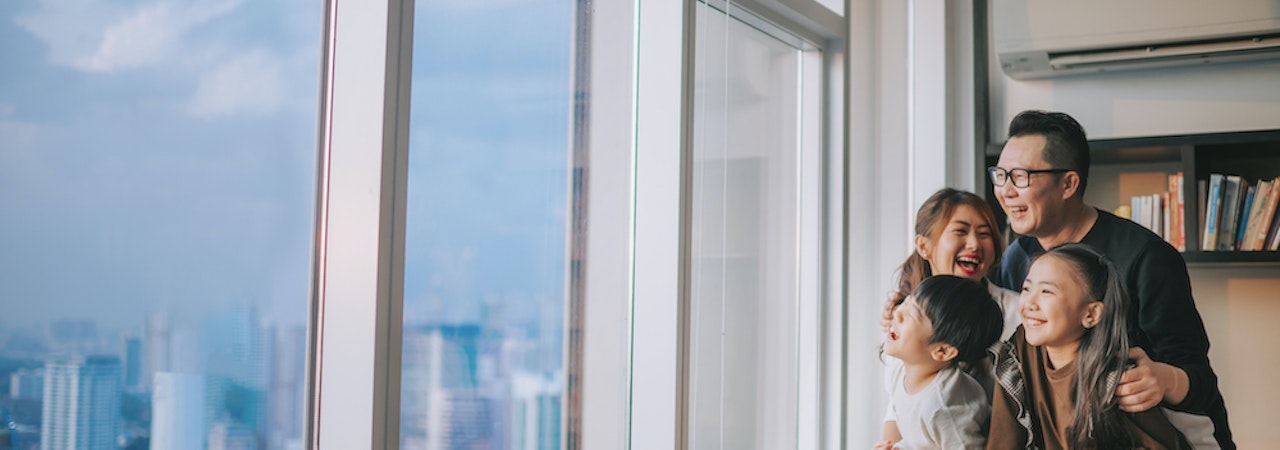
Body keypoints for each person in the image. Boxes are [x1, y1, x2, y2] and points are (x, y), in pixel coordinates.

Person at [988, 110, 1234, 448]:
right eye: (1000, 176)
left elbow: (1200, 379)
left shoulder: (1146, 256)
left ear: (1069, 184)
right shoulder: (1017, 258)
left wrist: (1163, 380)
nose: (1005, 191)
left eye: (1020, 176)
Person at [987, 243, 1216, 449]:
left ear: (1091, 313)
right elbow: (1002, 442)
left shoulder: (1114, 379)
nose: (1029, 303)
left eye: (1046, 291)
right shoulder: (1016, 356)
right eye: (1026, 289)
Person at [878, 188, 1022, 447]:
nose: (975, 244)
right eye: (960, 231)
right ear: (924, 245)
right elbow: (898, 407)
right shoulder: (901, 319)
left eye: (984, 233)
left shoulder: (1020, 312)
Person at [876, 275, 1004, 450]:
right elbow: (921, 441)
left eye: (911, 315)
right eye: (905, 303)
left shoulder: (943, 407)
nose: (897, 313)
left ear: (942, 351)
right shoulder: (899, 372)